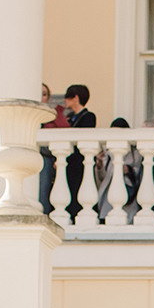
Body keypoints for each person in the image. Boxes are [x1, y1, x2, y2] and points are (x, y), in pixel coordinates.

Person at [60, 84, 97, 220]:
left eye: (67, 97)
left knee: (77, 190)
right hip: (68, 163)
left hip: (79, 163)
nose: (65, 101)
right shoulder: (71, 117)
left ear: (75, 98)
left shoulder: (88, 117)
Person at [38, 82, 67, 215]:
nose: (41, 97)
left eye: (44, 94)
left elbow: (64, 132)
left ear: (48, 98)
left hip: (46, 158)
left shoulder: (53, 115)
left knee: (43, 190)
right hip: (28, 155)